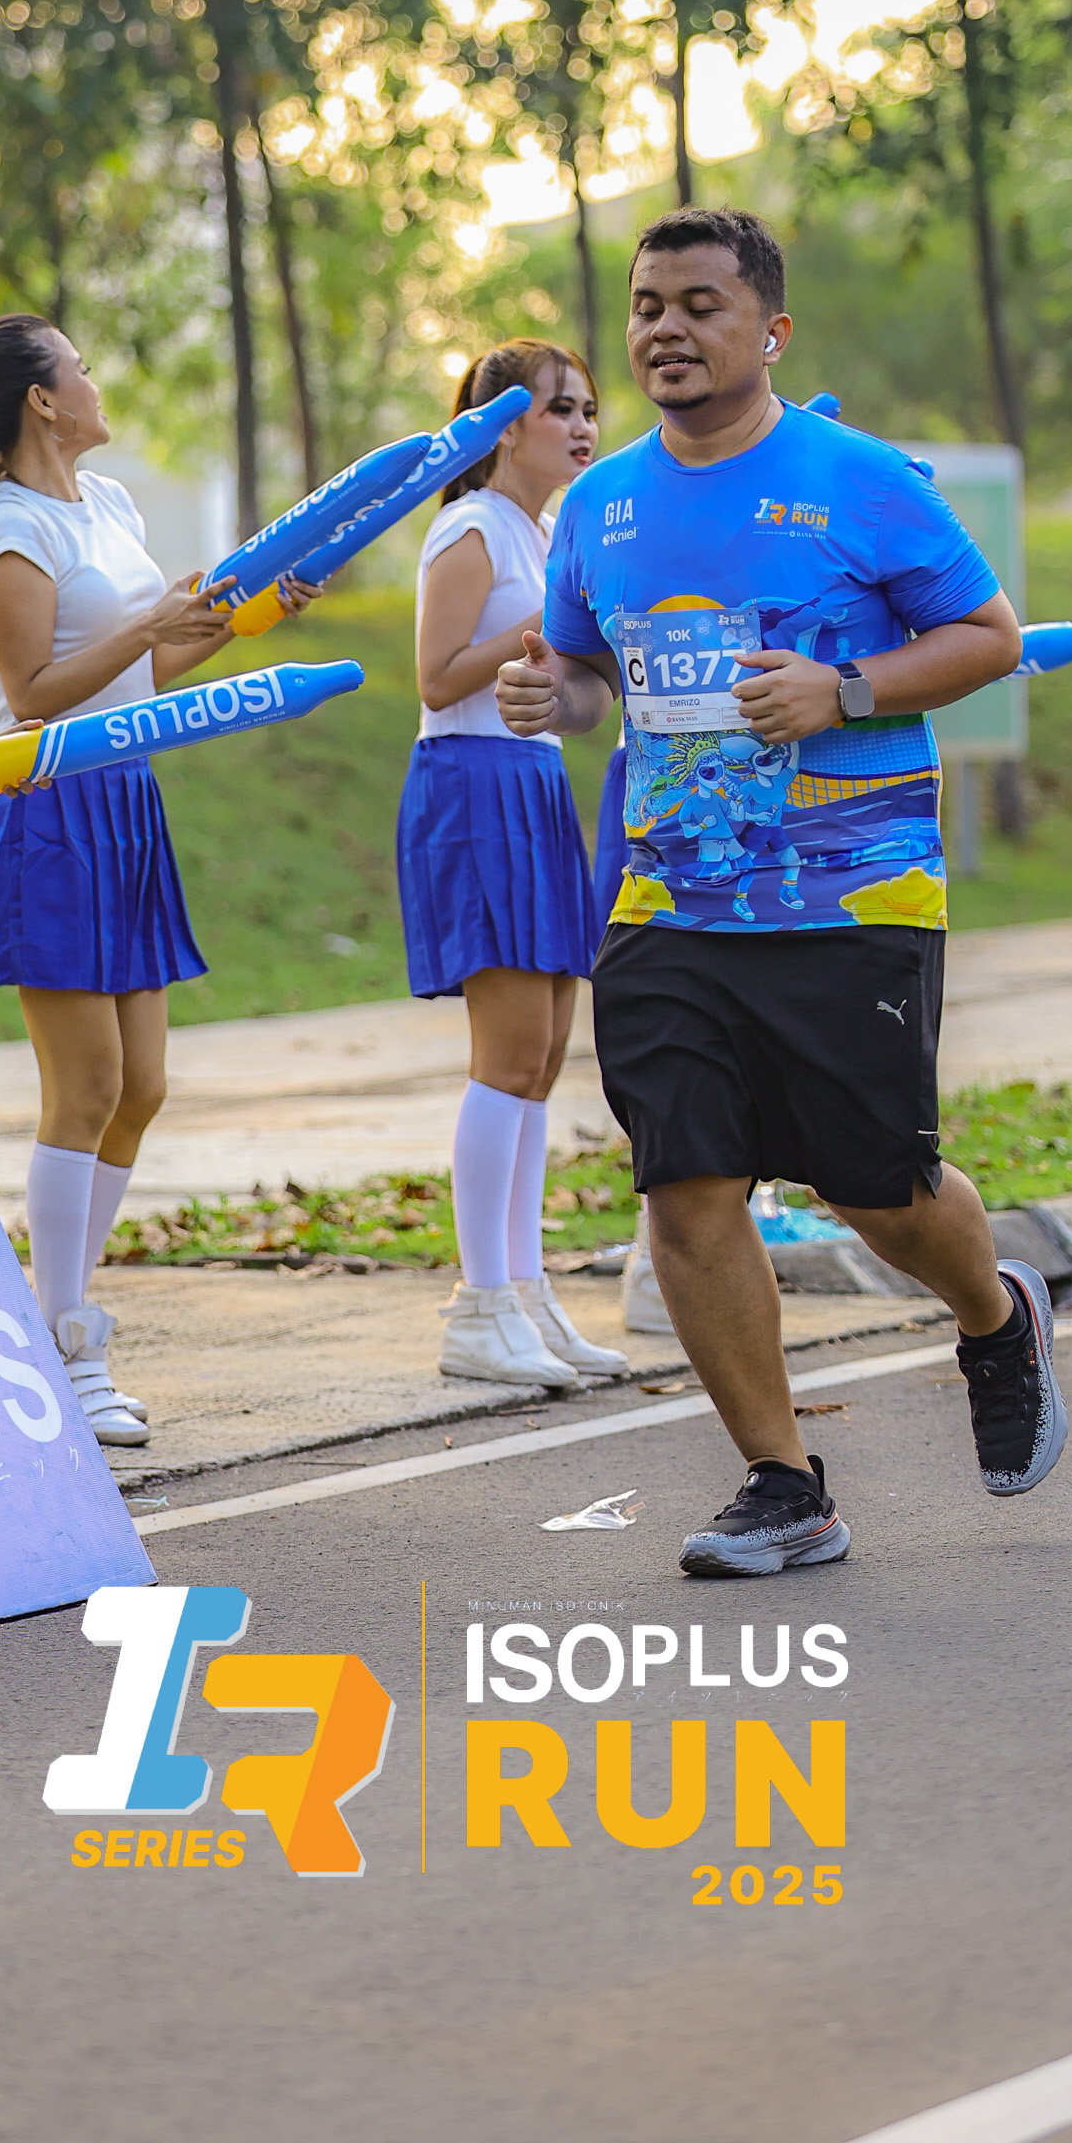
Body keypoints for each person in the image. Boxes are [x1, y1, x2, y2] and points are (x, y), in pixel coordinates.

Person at [499, 207, 1068, 1575]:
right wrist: (547, 695)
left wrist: (843, 688)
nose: (667, 329)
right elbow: (587, 675)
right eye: (648, 305)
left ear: (770, 331)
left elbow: (988, 637)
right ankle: (781, 1482)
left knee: (881, 1193)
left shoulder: (861, 480)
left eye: (700, 304)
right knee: (686, 1183)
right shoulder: (601, 504)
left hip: (852, 897)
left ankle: (995, 1318)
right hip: (666, 902)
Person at [0, 315, 288, 1452]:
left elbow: (157, 661)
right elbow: (30, 691)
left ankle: (66, 1318)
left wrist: (249, 615)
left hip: (123, 794)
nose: (94, 379)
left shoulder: (108, 504)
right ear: (42, 398)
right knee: (86, 1087)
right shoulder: (7, 531)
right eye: (79, 366)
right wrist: (147, 622)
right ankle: (66, 1344)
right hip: (43, 801)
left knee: (143, 1087)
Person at [399, 342, 626, 1393]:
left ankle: (526, 1294)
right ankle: (479, 1304)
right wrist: (540, 629)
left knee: (542, 1056)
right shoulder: (471, 526)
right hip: (471, 782)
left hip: (532, 782)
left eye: (588, 409)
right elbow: (437, 677)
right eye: (559, 410)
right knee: (507, 1053)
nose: (582, 428)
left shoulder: (545, 530)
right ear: (501, 426)